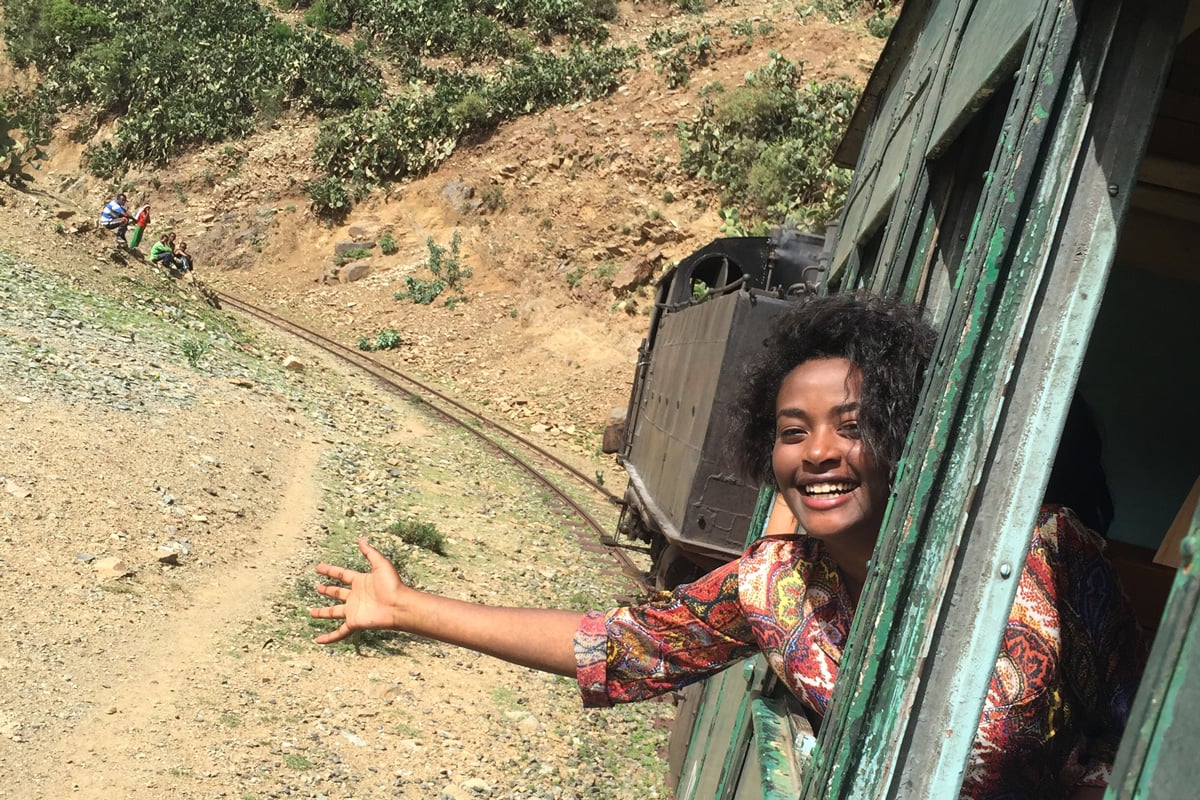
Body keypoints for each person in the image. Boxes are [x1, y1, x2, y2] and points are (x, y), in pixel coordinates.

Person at [310, 293, 1144, 799]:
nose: (816, 452)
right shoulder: (772, 590)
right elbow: (621, 649)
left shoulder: (1043, 554)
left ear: (906, 438)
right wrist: (408, 608)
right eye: (793, 432)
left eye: (851, 428)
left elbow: (1141, 719)